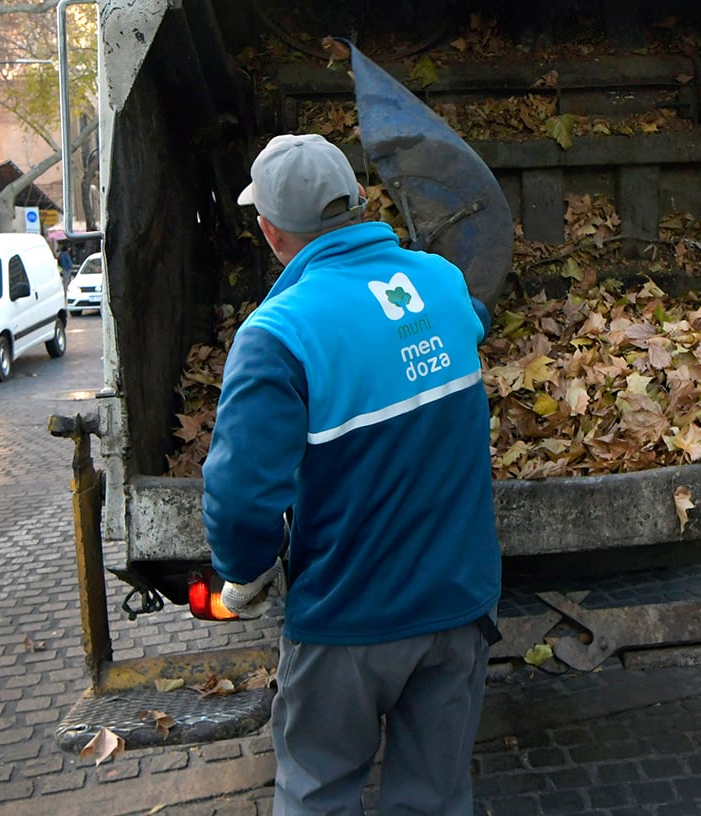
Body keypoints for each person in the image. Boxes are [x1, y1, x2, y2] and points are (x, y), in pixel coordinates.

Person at [202, 133, 501, 815]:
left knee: (318, 795)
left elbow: (242, 495)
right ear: (359, 201)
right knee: (435, 800)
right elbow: (469, 322)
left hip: (348, 620)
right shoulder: (442, 284)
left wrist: (244, 576)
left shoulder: (277, 334)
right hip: (459, 607)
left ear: (270, 232)